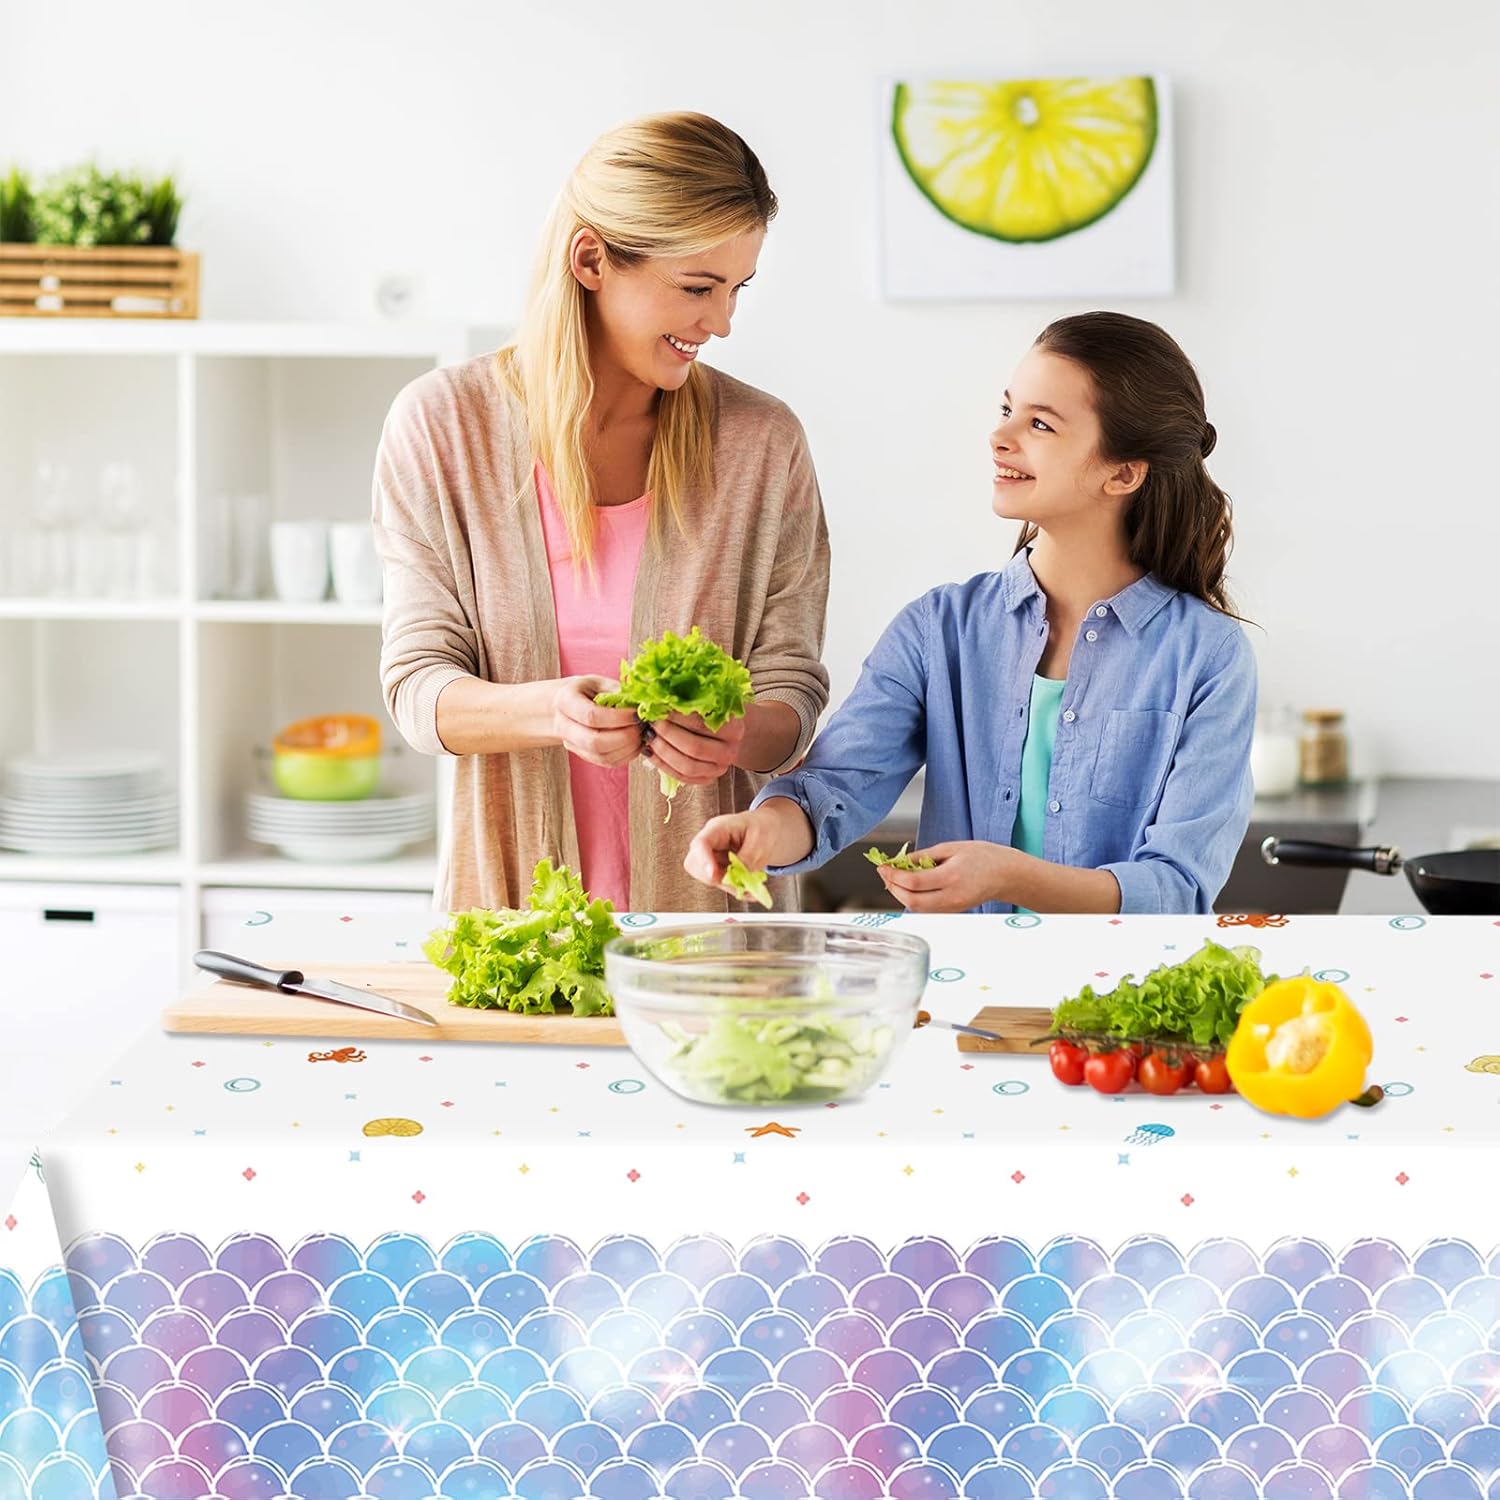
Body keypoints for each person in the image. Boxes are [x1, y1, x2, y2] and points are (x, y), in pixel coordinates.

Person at [374, 113, 831, 914]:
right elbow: (419, 690)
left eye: (735, 289)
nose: (721, 322)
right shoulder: (443, 428)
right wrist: (551, 712)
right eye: (697, 287)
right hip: (511, 924)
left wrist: (734, 733)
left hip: (710, 936)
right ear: (591, 259)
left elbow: (791, 693)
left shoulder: (763, 444)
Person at [686, 311, 1256, 915]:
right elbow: (835, 786)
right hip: (962, 996)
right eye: (1006, 410)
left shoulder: (1208, 655)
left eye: (1040, 423)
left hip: (1121, 1000)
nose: (1001, 437)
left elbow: (1178, 887)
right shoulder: (939, 629)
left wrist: (1010, 877)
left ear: (1123, 472)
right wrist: (765, 832)